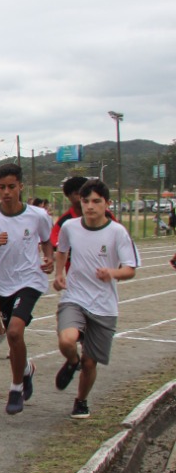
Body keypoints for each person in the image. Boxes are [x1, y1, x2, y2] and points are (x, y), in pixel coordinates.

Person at [0, 164, 53, 415]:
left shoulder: (37, 216)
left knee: (15, 332)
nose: (6, 192)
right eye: (2, 187)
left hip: (30, 281)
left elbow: (48, 241)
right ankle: (26, 370)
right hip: (2, 284)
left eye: (11, 187)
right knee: (15, 338)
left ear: (21, 187)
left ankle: (15, 388)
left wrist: (49, 259)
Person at [52, 179, 139, 418]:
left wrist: (113, 272)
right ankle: (71, 361)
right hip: (75, 297)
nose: (90, 206)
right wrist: (60, 274)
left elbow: (130, 269)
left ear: (107, 204)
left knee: (90, 362)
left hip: (104, 304)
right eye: (86, 201)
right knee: (67, 340)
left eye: (96, 201)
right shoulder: (70, 226)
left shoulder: (117, 232)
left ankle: (81, 400)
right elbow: (61, 251)